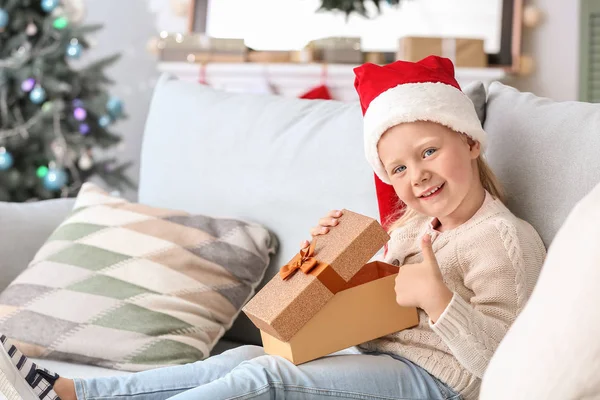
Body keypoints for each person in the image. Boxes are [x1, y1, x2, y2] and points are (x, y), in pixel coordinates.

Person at [0, 56, 546, 400]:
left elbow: (503, 363)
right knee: (242, 359)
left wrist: (442, 300)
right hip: (376, 356)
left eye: (430, 152)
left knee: (266, 381)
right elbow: (375, 307)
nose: (417, 175)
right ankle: (74, 392)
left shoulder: (502, 239)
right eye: (399, 168)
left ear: (470, 142)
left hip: (441, 383)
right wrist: (328, 254)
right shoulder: (410, 225)